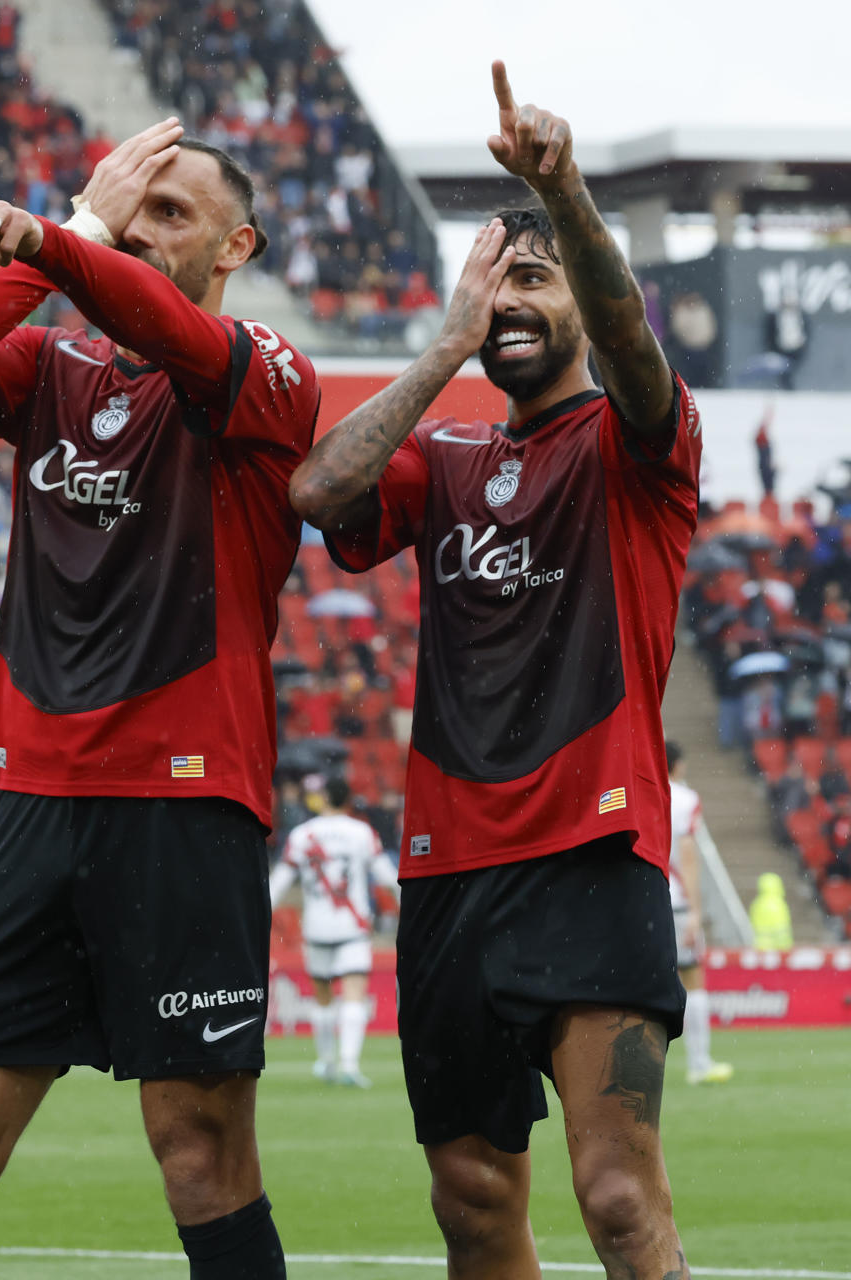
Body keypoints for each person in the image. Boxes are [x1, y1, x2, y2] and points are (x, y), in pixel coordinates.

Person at [0, 116, 320, 1280]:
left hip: (185, 804)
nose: (142, 227)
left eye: (173, 213)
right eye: (133, 204)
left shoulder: (266, 372)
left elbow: (157, 320)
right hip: (33, 801)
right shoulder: (54, 368)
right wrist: (64, 235)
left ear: (238, 246)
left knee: (199, 1152)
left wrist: (62, 247)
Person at [288, 66, 698, 1280]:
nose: (510, 299)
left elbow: (631, 347)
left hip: (591, 852)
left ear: (585, 284)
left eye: (534, 277)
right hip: (449, 869)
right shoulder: (449, 453)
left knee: (620, 1199)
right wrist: (447, 340)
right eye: (492, 278)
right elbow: (319, 491)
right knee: (473, 1202)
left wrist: (562, 193)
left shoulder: (642, 444)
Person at [267, 775, 399, 1089]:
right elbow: (386, 875)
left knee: (323, 997)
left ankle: (326, 1062)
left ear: (324, 798)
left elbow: (281, 880)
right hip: (352, 926)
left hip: (317, 926)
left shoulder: (303, 834)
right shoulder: (362, 832)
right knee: (354, 991)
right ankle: (349, 1065)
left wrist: (261, 911)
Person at [667, 744, 731, 1086]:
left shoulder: (638, 789)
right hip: (675, 899)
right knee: (693, 979)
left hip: (643, 899)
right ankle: (699, 1062)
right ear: (677, 765)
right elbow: (687, 855)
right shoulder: (684, 799)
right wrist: (695, 910)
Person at [748, 873, 793, 950]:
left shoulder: (757, 904)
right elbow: (781, 928)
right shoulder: (779, 905)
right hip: (778, 948)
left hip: (759, 947)